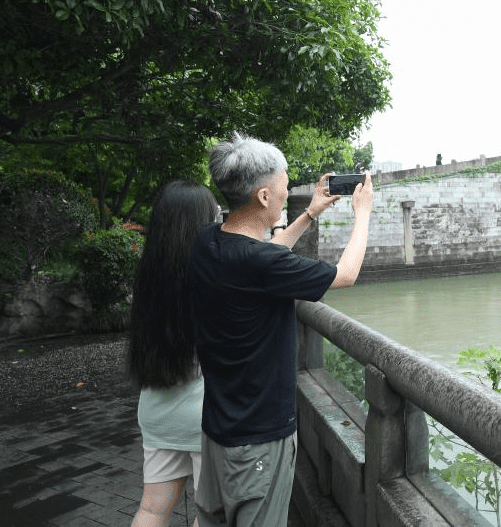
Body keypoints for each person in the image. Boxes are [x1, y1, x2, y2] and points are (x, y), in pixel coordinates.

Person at [186, 132, 374, 527]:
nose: (289, 194)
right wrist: (363, 214)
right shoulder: (260, 265)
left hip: (218, 428)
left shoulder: (207, 242)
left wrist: (311, 213)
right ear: (263, 197)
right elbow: (346, 274)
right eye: (284, 187)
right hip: (259, 439)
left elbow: (264, 253)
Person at [128, 180, 220, 527]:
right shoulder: (211, 273)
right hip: (202, 415)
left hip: (155, 408)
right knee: (210, 515)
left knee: (152, 509)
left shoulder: (149, 274)